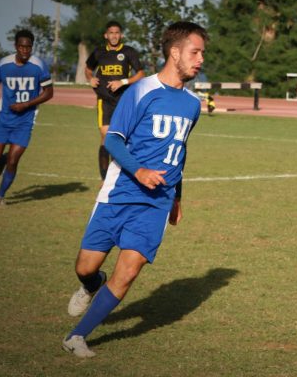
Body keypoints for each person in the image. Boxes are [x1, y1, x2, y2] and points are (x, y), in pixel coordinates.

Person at [62, 21, 207, 358]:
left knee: (128, 272)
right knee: (85, 266)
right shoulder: (140, 91)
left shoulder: (192, 104)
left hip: (157, 202)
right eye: (195, 52)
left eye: (202, 53)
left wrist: (178, 197)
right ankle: (89, 284)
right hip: (121, 192)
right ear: (175, 52)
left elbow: (179, 151)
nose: (200, 59)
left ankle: (77, 336)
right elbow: (113, 139)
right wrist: (139, 170)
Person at [0, 30, 54, 208]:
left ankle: (0, 196)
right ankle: (1, 160)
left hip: (25, 121)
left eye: (28, 47)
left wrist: (26, 105)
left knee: (13, 160)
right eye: (21, 46)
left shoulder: (39, 66)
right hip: (3, 119)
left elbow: (49, 93)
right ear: (15, 46)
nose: (25, 50)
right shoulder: (4, 64)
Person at [85, 21, 145, 181]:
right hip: (104, 100)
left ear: (121, 35)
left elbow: (140, 74)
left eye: (117, 32)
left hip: (123, 101)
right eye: (111, 33)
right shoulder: (99, 52)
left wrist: (123, 82)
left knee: (118, 139)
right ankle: (105, 180)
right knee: (106, 137)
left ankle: (115, 177)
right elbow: (88, 69)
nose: (114, 36)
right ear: (106, 35)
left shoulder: (128, 52)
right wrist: (90, 78)